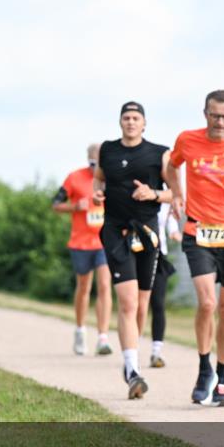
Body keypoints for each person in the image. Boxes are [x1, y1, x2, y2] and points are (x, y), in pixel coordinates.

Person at [164, 90, 224, 407]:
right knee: (207, 303)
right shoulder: (187, 140)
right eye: (215, 114)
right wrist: (176, 194)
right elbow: (171, 167)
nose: (220, 121)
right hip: (198, 229)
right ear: (205, 113)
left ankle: (222, 379)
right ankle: (204, 369)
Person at [92, 101, 172, 399]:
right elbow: (98, 178)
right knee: (126, 302)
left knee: (140, 305)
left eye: (135, 118)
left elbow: (176, 193)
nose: (130, 122)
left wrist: (153, 193)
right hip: (115, 231)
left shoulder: (159, 153)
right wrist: (97, 191)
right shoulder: (108, 150)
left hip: (147, 233)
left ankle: (132, 362)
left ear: (144, 123)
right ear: (120, 122)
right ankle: (132, 369)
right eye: (126, 117)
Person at [52, 144, 114, 356]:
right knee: (84, 286)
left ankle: (103, 337)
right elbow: (55, 204)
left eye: (100, 161)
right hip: (80, 242)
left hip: (104, 241)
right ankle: (80, 330)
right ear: (88, 159)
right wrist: (74, 207)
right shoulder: (74, 178)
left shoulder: (110, 179)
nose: (95, 165)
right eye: (92, 160)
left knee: (105, 285)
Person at [147, 200, 181, 368]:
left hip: (159, 254)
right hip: (137, 252)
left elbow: (171, 217)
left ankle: (156, 352)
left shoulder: (166, 192)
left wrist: (174, 231)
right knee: (137, 305)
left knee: (158, 303)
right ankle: (132, 351)